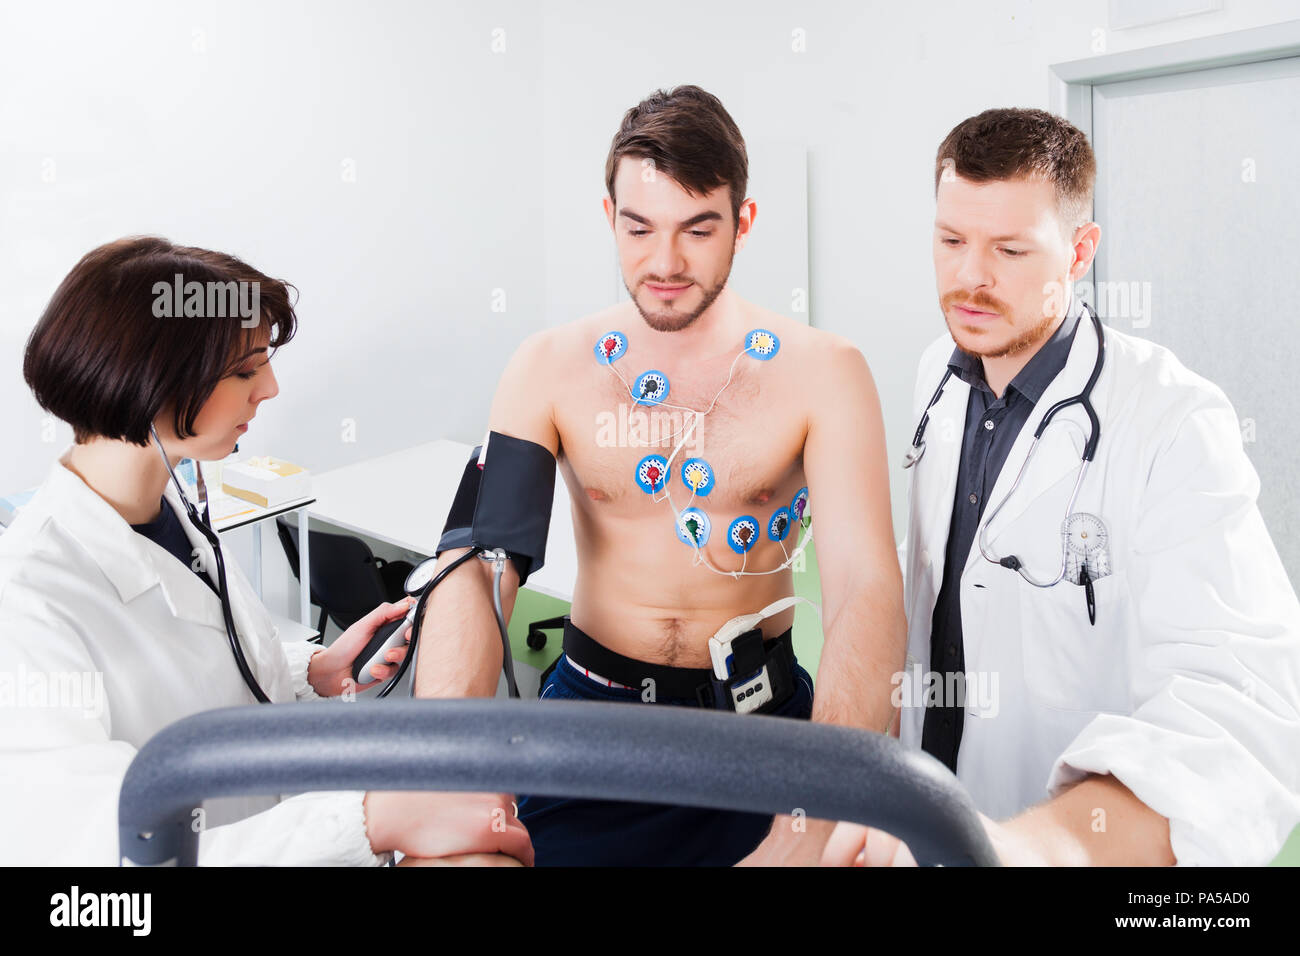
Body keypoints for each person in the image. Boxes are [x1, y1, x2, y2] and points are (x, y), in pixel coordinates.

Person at [414, 85, 907, 866]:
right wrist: (447, 776)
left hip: (762, 730)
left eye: (697, 230)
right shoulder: (545, 368)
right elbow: (479, 562)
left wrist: (813, 816)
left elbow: (866, 590)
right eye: (639, 229)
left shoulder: (826, 372)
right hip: (592, 723)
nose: (665, 263)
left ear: (743, 224)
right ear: (608, 218)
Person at [823, 108, 1300, 866]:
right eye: (950, 242)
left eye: (1009, 249)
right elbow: (940, 591)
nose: (968, 278)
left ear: (1080, 251)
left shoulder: (1173, 421)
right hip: (916, 825)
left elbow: (1238, 712)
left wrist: (1022, 849)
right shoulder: (935, 379)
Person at [0, 237, 533, 866]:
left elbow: (190, 662)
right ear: (151, 387)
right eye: (246, 370)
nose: (271, 388)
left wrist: (307, 673)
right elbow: (97, 850)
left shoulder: (166, 505)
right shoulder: (28, 602)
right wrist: (371, 817)